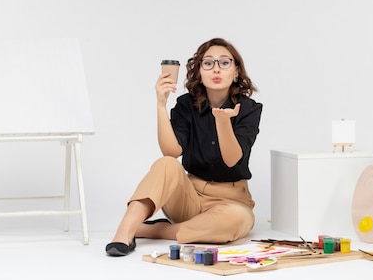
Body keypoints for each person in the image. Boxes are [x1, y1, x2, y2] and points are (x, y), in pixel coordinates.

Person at [105, 37, 263, 257]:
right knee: (166, 164)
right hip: (189, 196)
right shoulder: (186, 104)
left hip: (231, 201)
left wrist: (223, 121)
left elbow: (232, 159)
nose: (216, 68)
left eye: (224, 63)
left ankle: (155, 230)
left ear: (236, 71)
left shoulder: (248, 109)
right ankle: (125, 230)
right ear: (199, 71)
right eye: (208, 63)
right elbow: (172, 152)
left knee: (236, 220)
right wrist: (161, 104)